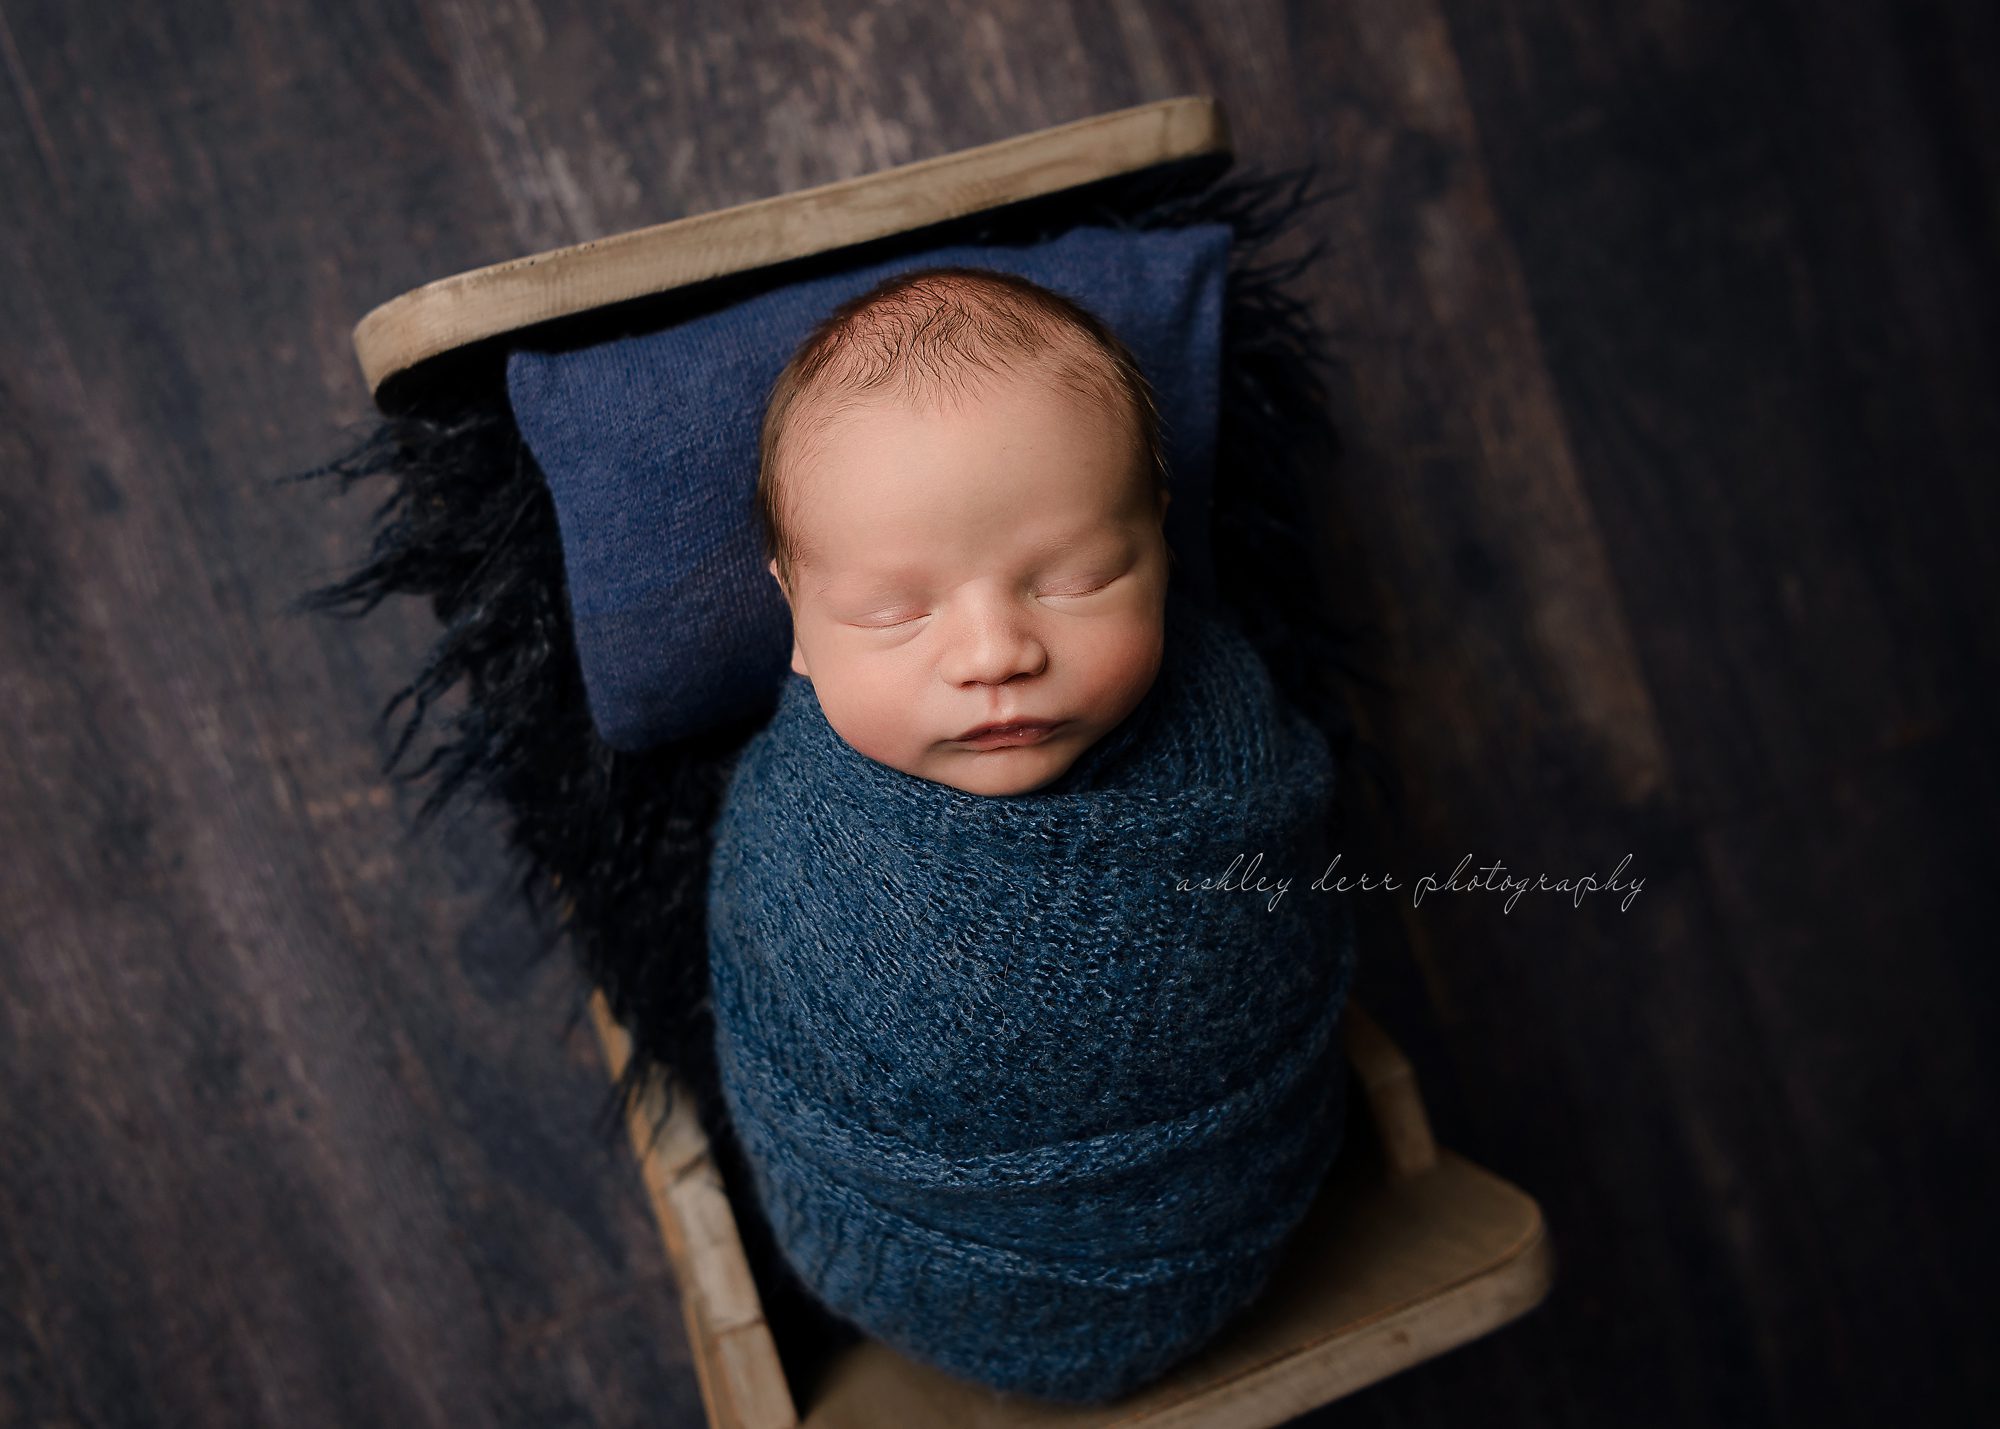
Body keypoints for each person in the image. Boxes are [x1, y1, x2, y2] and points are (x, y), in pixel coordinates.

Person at [754, 265, 1175, 797]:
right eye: (893, 614)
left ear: (1162, 550)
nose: (993, 658)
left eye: (1078, 583)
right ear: (797, 620)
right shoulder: (794, 811)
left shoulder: (1225, 709)